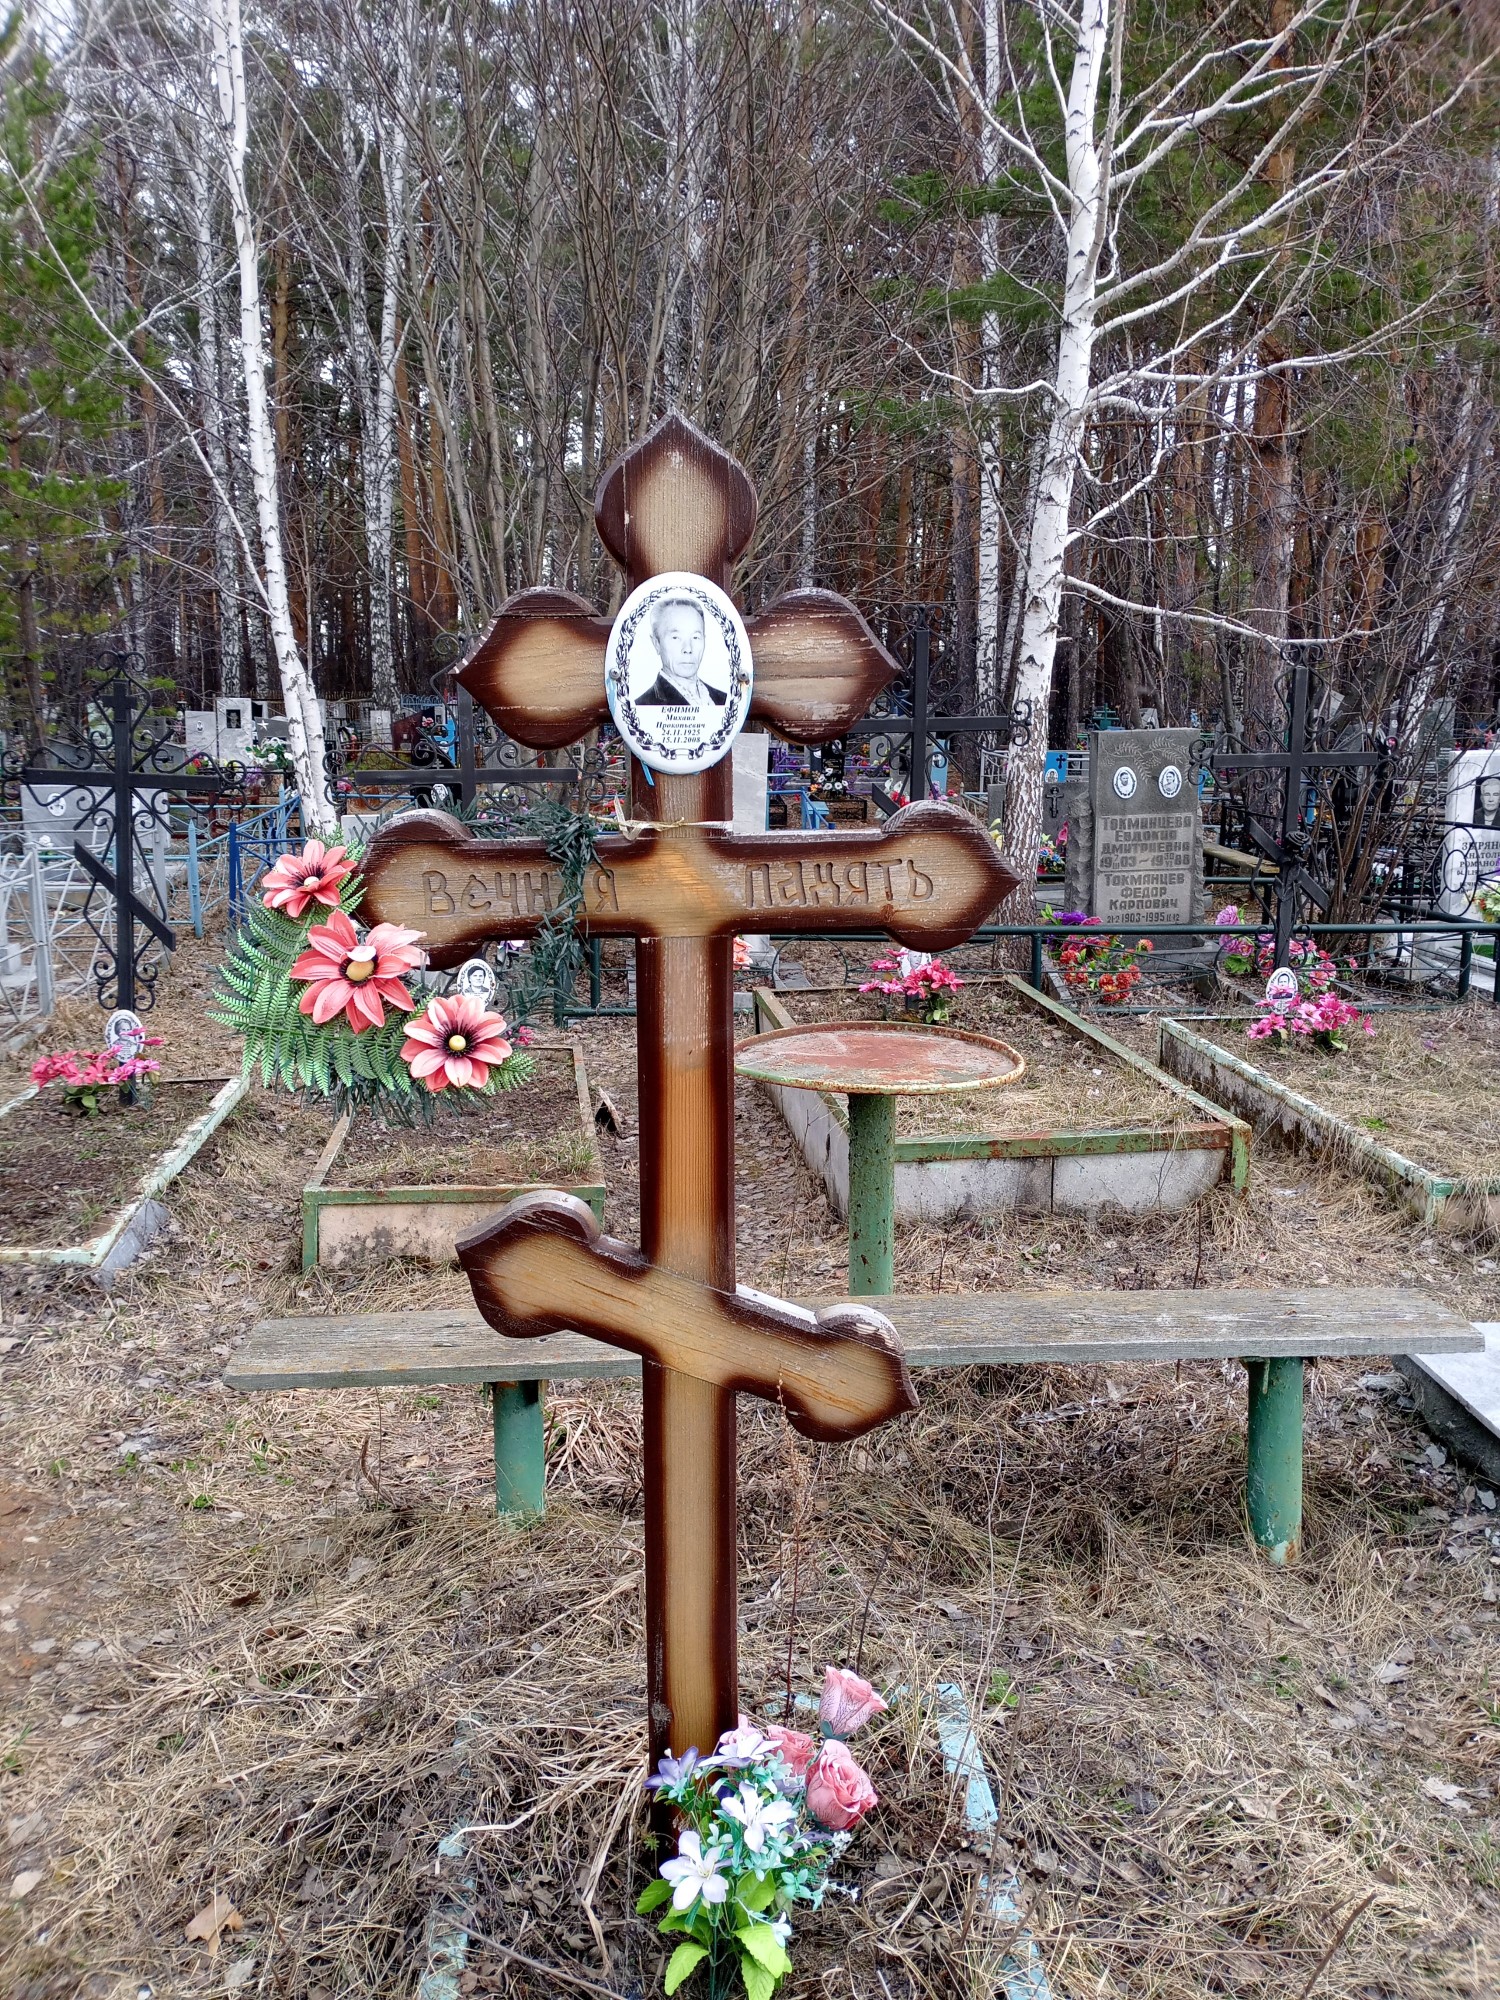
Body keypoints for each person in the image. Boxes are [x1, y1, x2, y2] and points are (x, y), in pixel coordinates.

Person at [637, 596, 726, 708]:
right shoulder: (644, 705)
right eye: (675, 638)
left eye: (695, 637)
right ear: (656, 643)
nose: (688, 649)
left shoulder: (723, 700)